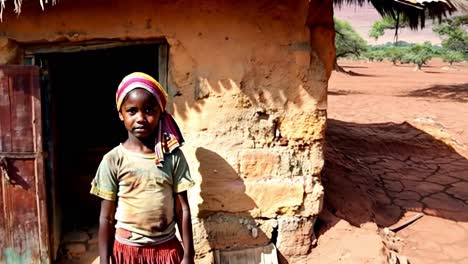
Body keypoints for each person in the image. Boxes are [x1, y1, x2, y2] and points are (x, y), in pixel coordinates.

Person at [90, 72, 195, 264]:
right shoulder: (113, 160)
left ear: (160, 113)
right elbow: (106, 217)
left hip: (166, 249)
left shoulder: (172, 157)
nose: (140, 118)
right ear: (121, 114)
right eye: (132, 111)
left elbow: (182, 209)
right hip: (128, 251)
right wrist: (105, 261)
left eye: (148, 110)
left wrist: (189, 255)